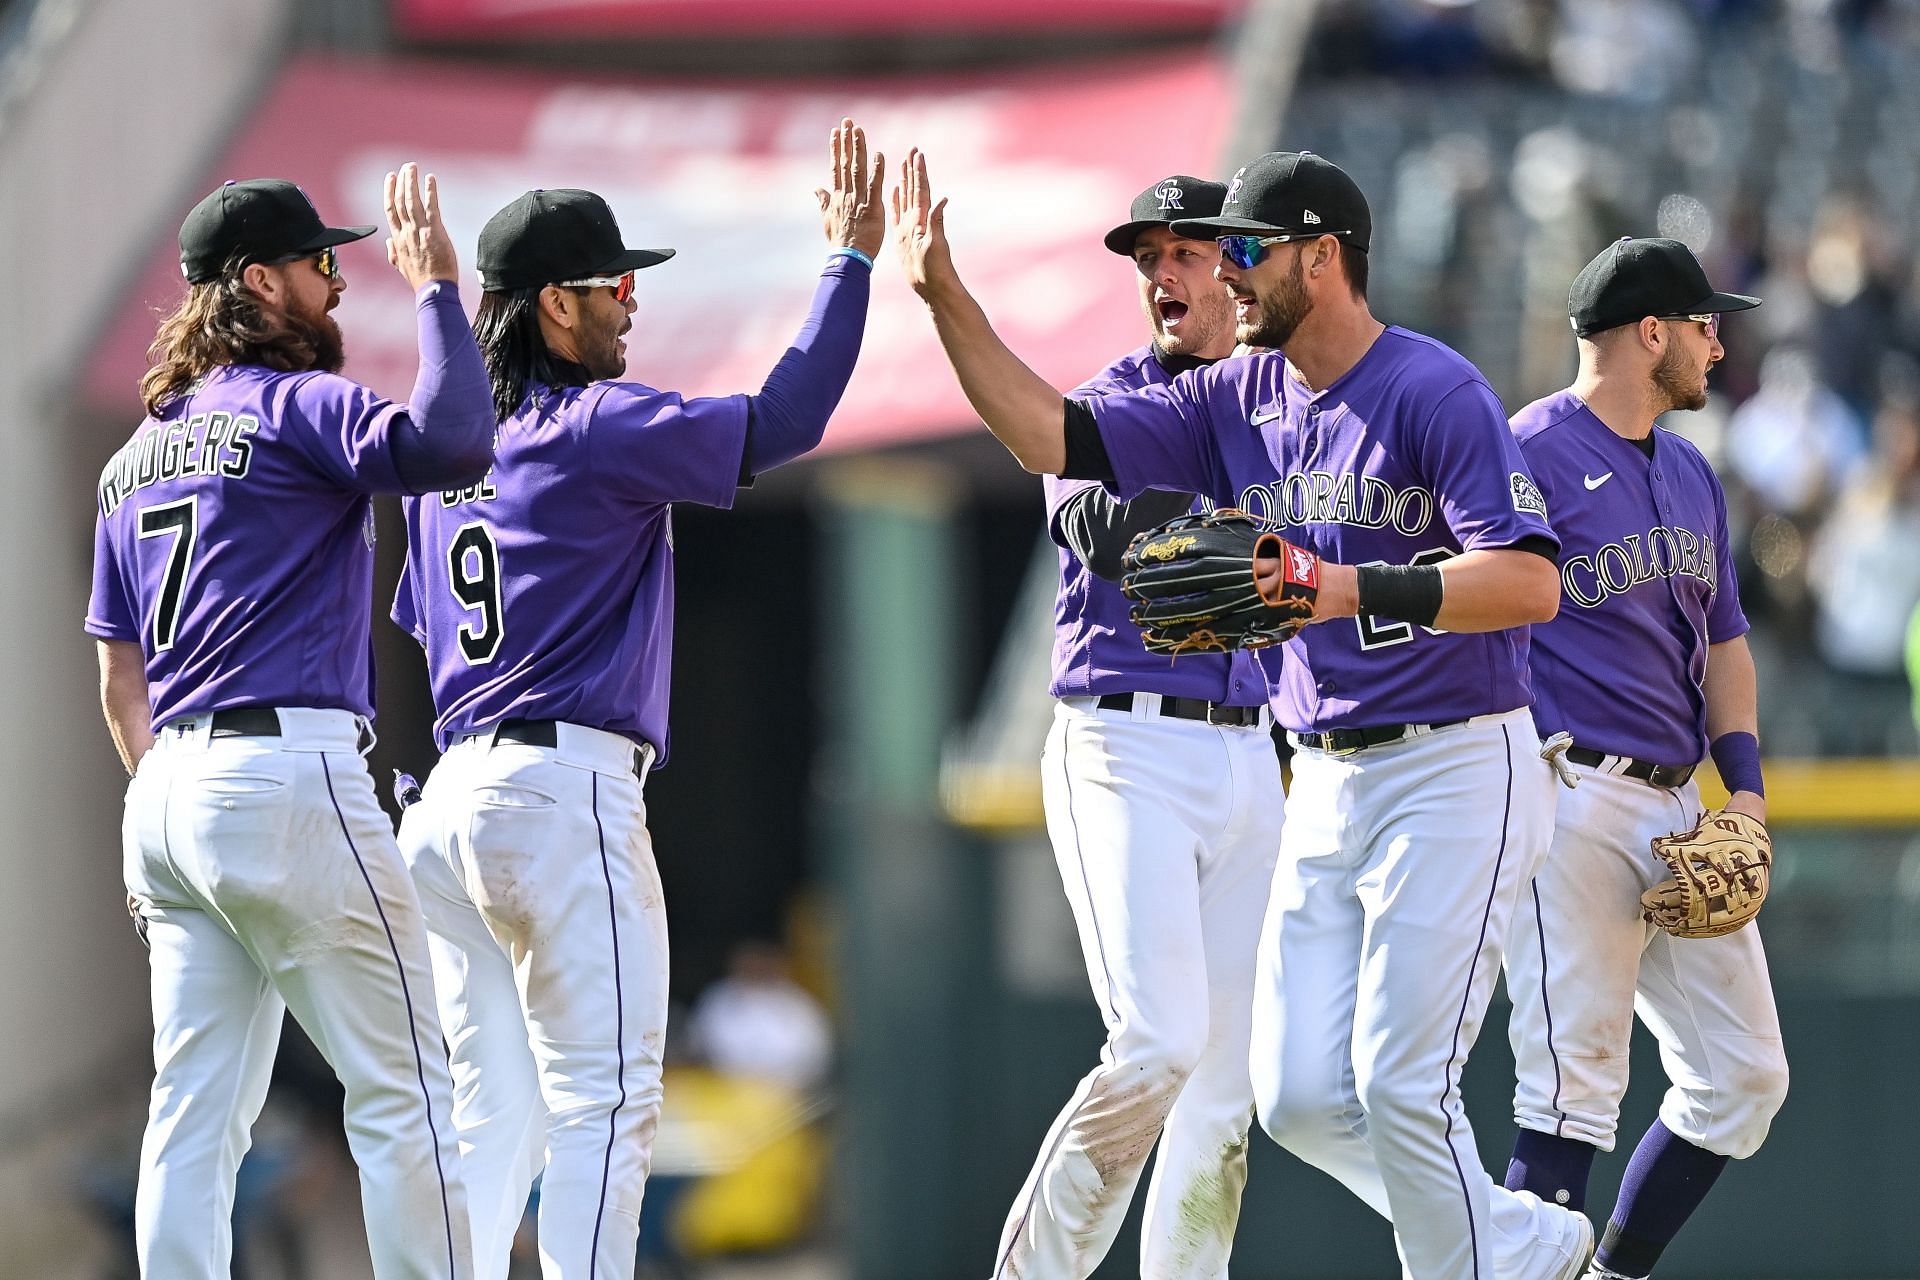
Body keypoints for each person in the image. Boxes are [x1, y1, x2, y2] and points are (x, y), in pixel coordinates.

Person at [895, 146, 1593, 1280]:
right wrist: (946, 300)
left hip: (1454, 757)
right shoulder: (1232, 398)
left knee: (1395, 1085)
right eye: (1203, 252)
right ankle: (1521, 1242)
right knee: (1301, 1099)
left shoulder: (1434, 387)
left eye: (1242, 249)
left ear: (1322, 258)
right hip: (1308, 765)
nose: (1223, 268)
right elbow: (1049, 439)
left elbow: (1529, 582)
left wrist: (1348, 584)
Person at [393, 118, 884, 1280]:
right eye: (612, 282)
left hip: (450, 799)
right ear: (554, 305)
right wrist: (848, 265)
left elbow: (422, 631)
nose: (629, 301)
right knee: (607, 1103)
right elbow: (783, 421)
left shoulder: (443, 460)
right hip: (559, 787)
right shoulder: (595, 425)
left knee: (491, 1112)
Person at [87, 167, 493, 1278]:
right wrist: (439, 292)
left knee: (194, 1113)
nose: (334, 282)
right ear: (258, 281)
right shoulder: (294, 402)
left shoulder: (133, 458)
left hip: (168, 790)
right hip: (285, 773)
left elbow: (118, 667)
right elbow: (454, 442)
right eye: (319, 265)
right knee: (409, 1085)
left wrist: (157, 800)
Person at [993, 175, 1283, 1280]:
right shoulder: (1104, 405)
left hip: (1251, 748)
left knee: (1222, 1089)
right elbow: (1112, 535)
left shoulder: (1276, 408)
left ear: (1238, 266)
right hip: (1126, 738)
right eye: (1146, 256)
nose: (1161, 273)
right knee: (1158, 1040)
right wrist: (1257, 551)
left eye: (1184, 251)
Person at [1502, 236, 1789, 1280]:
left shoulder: (1691, 468)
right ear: (1651, 332)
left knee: (1744, 1078)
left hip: (1678, 808)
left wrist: (1745, 792)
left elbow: (1725, 644)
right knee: (1570, 1091)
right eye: (1705, 323)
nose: (1720, 343)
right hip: (1568, 792)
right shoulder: (1525, 450)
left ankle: (1611, 1273)